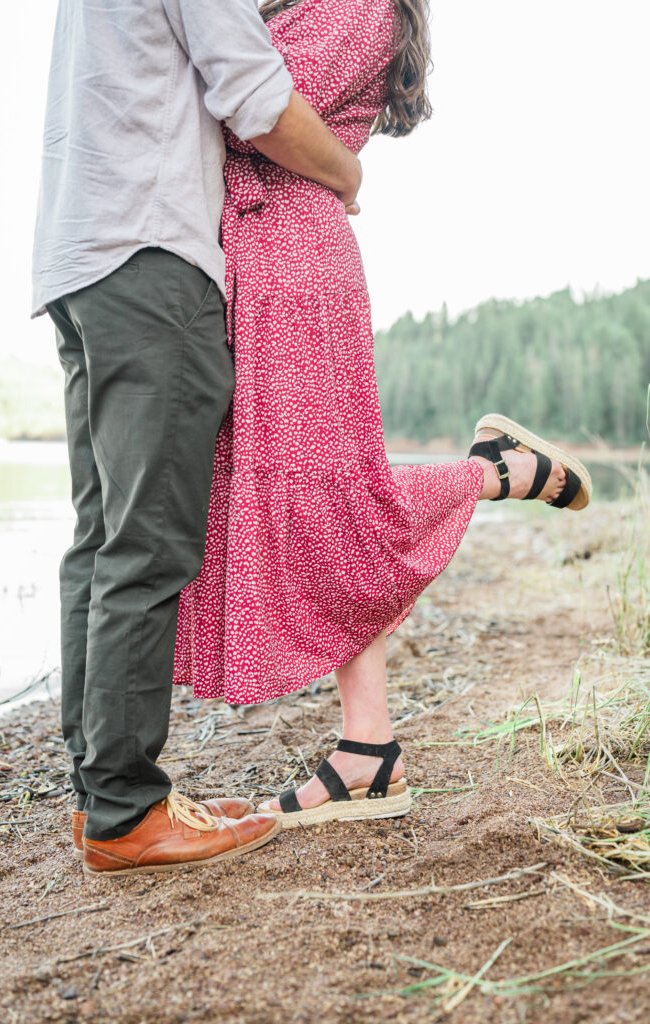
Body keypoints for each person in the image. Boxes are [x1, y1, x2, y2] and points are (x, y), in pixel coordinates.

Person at [174, 0, 592, 828]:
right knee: (322, 505)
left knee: (330, 502)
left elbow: (250, 108)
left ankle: (498, 473)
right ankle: (367, 747)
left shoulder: (361, 4)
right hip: (258, 254)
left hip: (291, 262)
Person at [32, 0, 365, 876]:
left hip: (80, 259)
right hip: (153, 258)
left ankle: (104, 795)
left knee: (103, 538)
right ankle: (126, 813)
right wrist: (346, 172)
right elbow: (259, 99)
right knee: (146, 545)